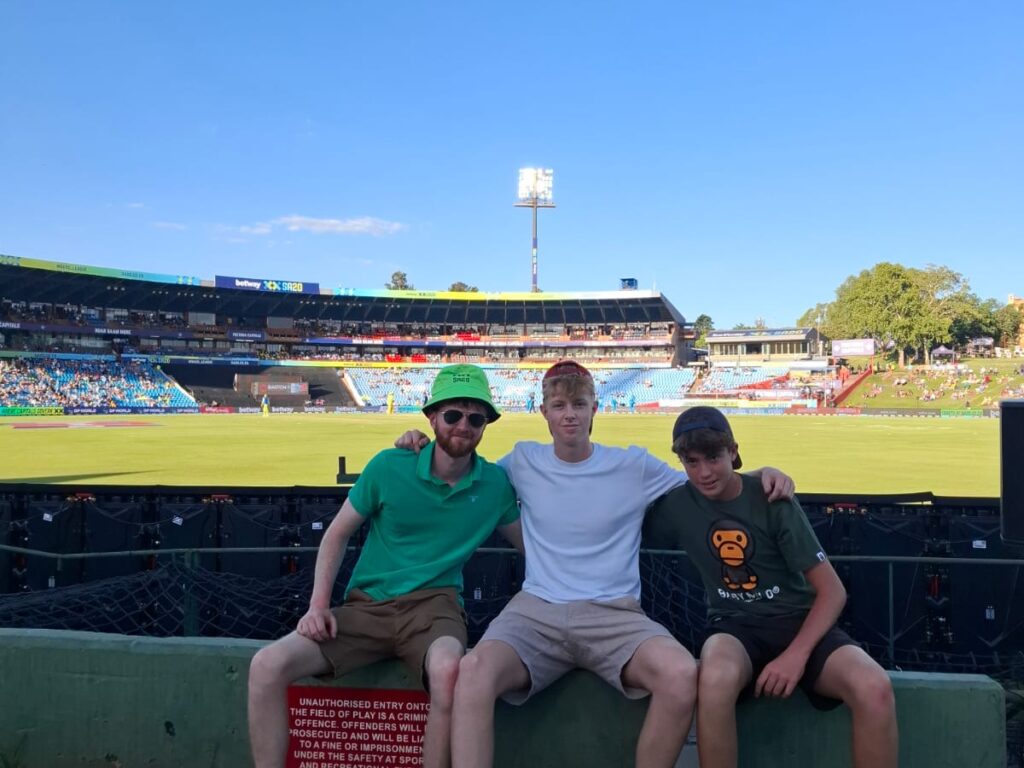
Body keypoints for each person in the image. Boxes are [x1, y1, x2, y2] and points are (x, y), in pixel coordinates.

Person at [397, 361, 793, 768]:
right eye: (559, 405)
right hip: (536, 612)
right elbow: (462, 475)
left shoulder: (633, 466)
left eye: (579, 404)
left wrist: (761, 474)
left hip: (614, 614)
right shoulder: (522, 461)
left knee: (679, 675)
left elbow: (706, 483)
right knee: (473, 673)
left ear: (594, 410)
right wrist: (420, 443)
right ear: (544, 413)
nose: (569, 414)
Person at [247, 364, 522, 768]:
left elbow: (531, 546)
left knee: (449, 671)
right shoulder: (389, 466)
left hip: (436, 608)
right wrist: (318, 606)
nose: (463, 426)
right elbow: (337, 534)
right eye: (452, 415)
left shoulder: (495, 485)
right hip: (368, 607)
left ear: (485, 426)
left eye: (475, 418)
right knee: (266, 665)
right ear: (432, 418)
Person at [643, 406, 897, 768]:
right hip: (734, 627)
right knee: (714, 679)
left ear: (733, 451)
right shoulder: (678, 505)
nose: (704, 472)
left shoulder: (771, 499)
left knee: (874, 687)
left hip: (799, 622)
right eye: (691, 461)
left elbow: (832, 591)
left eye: (713, 458)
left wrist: (795, 656)